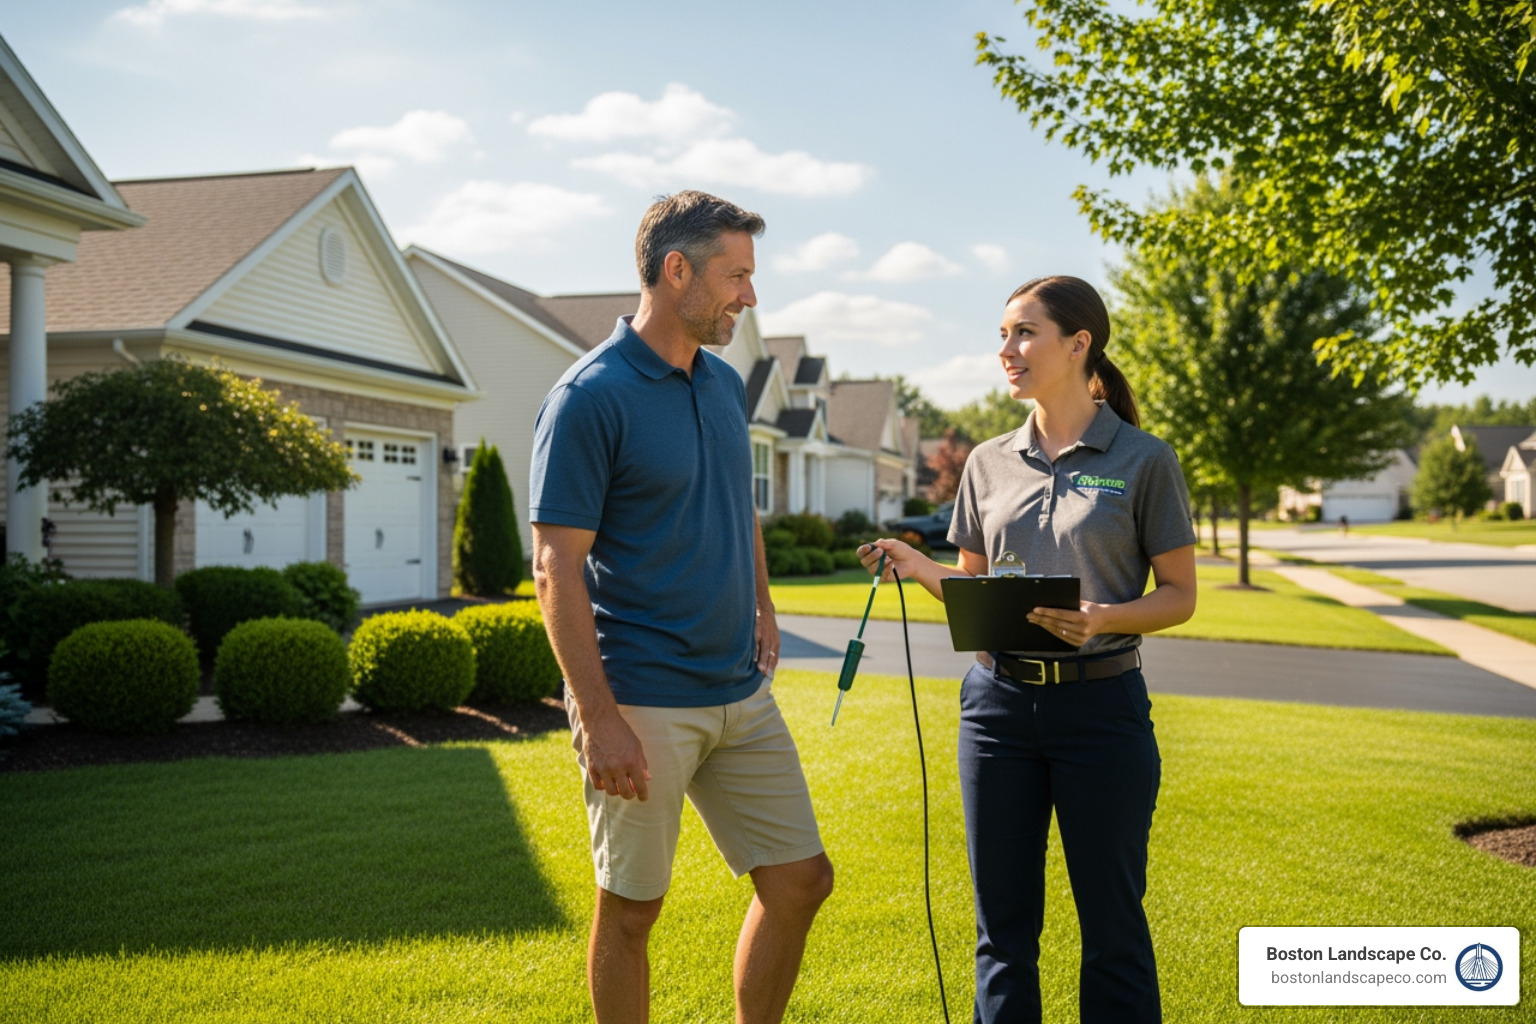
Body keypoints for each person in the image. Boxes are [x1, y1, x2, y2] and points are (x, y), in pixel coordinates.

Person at [529, 191, 834, 1024]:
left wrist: (764, 603)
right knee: (632, 910)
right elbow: (555, 564)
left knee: (801, 880)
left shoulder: (725, 385)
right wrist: (598, 717)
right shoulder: (590, 396)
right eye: (736, 275)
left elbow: (740, 506)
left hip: (739, 691)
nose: (749, 295)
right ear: (677, 270)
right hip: (643, 697)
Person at [860, 276, 1197, 1024]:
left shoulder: (1144, 460)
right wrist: (920, 569)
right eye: (1003, 335)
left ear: (1079, 345)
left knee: (1114, 931)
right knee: (1002, 932)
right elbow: (979, 593)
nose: (1006, 351)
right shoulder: (987, 462)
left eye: (1024, 334)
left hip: (1101, 710)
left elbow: (1179, 594)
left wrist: (1105, 617)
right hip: (997, 711)